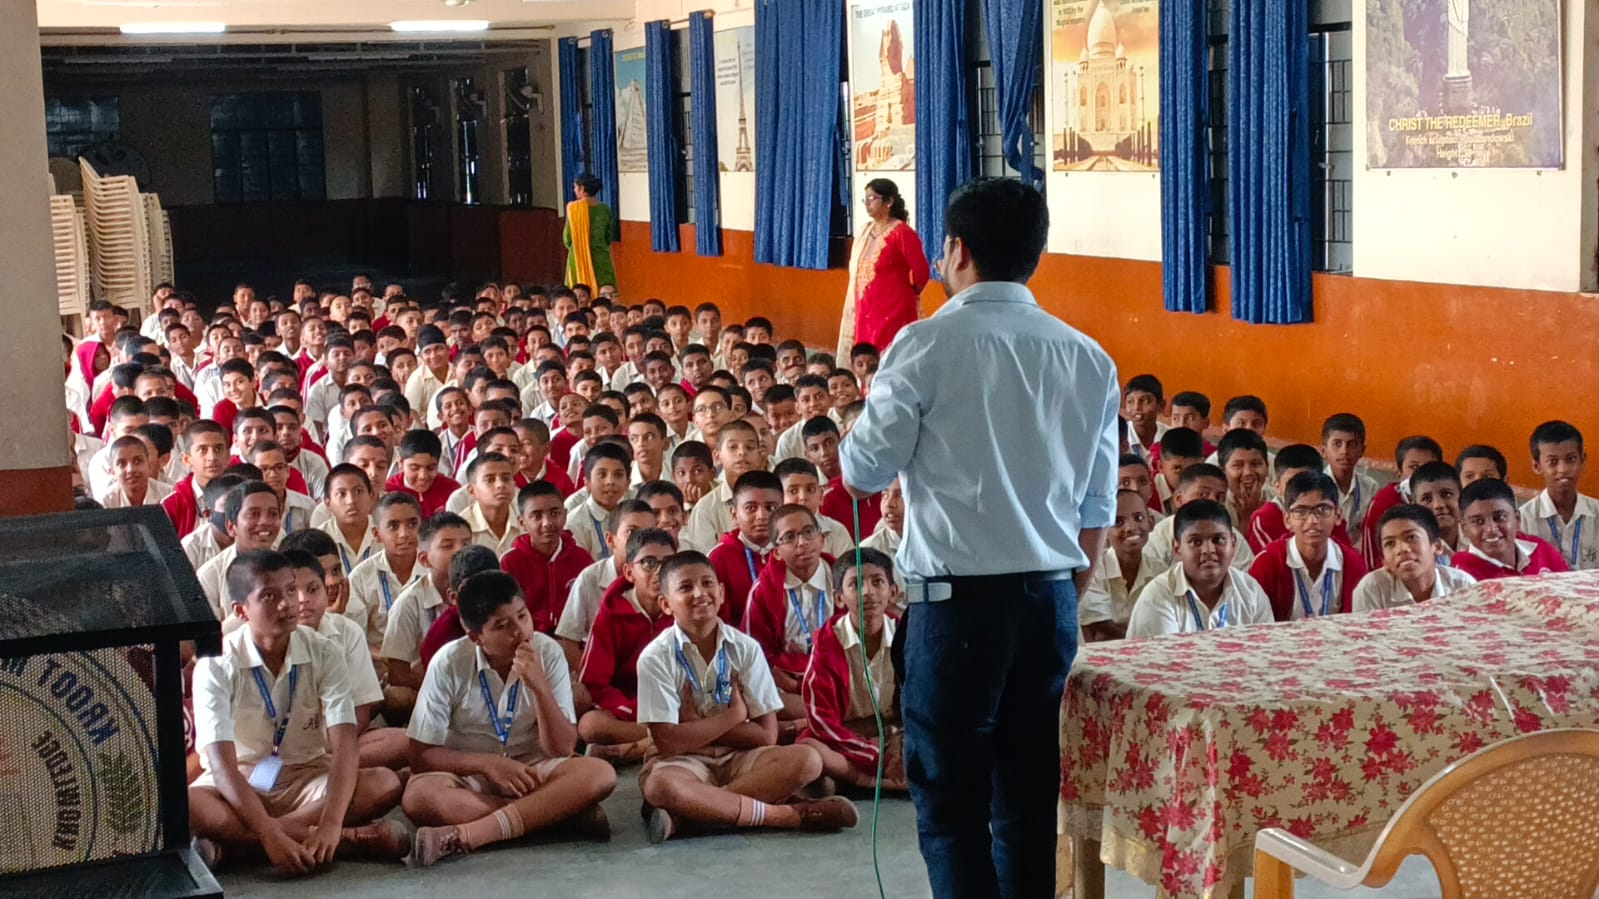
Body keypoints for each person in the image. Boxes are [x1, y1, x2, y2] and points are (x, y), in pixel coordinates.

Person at [838, 178, 1119, 897]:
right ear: (1037, 252)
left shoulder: (924, 342)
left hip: (956, 607)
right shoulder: (1086, 355)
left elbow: (864, 469)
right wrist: (1062, 588)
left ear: (955, 250)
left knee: (951, 806)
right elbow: (1096, 504)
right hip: (1049, 599)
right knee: (1027, 801)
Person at [188, 550, 407, 873]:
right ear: (241, 610)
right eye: (269, 595)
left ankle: (240, 849)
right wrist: (268, 833)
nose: (287, 603)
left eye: (291, 590)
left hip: (307, 778)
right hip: (240, 783)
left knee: (384, 783)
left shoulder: (324, 651)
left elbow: (345, 743)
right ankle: (349, 840)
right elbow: (221, 765)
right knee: (188, 805)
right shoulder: (215, 664)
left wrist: (331, 821)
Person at [634, 551, 858, 843]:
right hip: (683, 762)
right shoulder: (655, 657)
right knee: (660, 786)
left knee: (808, 760)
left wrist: (693, 727)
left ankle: (694, 813)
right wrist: (734, 716)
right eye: (685, 588)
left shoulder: (746, 649)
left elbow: (766, 736)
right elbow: (668, 742)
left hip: (741, 759)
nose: (700, 593)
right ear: (665, 604)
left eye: (707, 583)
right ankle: (786, 816)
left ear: (722, 592)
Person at [403, 571, 616, 867]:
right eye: (502, 625)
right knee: (420, 797)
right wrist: (489, 765)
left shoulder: (547, 652)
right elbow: (420, 755)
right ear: (475, 637)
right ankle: (555, 816)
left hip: (533, 770)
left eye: (522, 615)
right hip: (470, 773)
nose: (520, 631)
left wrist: (539, 685)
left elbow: (562, 749)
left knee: (599, 774)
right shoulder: (449, 662)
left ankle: (471, 834)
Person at [799, 547, 906, 792]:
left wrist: (900, 740)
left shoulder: (906, 637)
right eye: (856, 584)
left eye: (877, 582)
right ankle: (872, 781)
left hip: (895, 739)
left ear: (892, 592)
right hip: (844, 741)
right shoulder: (827, 644)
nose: (868, 592)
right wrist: (879, 759)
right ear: (839, 598)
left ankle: (858, 780)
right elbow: (821, 723)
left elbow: (923, 705)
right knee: (812, 750)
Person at [576, 527, 678, 764]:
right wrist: (634, 710)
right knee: (590, 725)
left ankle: (638, 747)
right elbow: (594, 683)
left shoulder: (684, 607)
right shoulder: (611, 614)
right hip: (625, 707)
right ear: (629, 572)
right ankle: (661, 743)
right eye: (649, 563)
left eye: (668, 562)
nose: (660, 571)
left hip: (675, 707)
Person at [1126, 500, 1274, 637]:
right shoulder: (1158, 596)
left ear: (1233, 544)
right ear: (1177, 549)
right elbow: (1161, 661)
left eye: (1218, 540)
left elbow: (1265, 650)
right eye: (1196, 542)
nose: (1208, 550)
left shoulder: (1250, 591)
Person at [1248, 472, 1368, 621]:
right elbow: (1257, 628)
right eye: (1301, 511)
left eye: (1322, 509)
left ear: (1338, 515)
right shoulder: (1267, 564)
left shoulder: (1353, 564)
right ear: (1287, 520)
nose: (1312, 520)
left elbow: (1360, 624)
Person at [837, 178, 929, 359]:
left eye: (873, 198)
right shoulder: (865, 231)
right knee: (865, 356)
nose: (867, 204)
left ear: (888, 202)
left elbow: (922, 271)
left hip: (894, 309)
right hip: (865, 308)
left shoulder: (902, 232)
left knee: (890, 356)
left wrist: (907, 295)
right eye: (866, 199)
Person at [1351, 505, 1477, 612]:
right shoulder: (1371, 590)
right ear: (1384, 561)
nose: (1402, 549)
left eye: (1411, 537)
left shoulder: (1463, 586)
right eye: (1390, 543)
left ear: (1437, 546)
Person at [1143, 463, 1255, 574]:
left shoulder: (1233, 538)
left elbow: (1244, 582)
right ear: (1178, 499)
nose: (1212, 501)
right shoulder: (1161, 536)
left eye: (1220, 497)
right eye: (1203, 494)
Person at [344, 493, 424, 649]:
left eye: (412, 524)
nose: (404, 534)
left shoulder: (433, 570)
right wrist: (393, 662)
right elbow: (354, 639)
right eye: (393, 526)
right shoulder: (360, 578)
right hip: (380, 667)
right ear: (377, 534)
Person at [1518, 420, 1599, 570]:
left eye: (1571, 459)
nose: (1563, 469)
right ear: (1537, 466)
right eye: (1552, 462)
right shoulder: (1523, 520)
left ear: (1583, 460)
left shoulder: (1597, 513)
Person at [1454, 477, 1570, 581]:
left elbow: (1570, 589)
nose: (1491, 529)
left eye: (1500, 517)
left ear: (1517, 519)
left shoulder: (1540, 549)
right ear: (1464, 528)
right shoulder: (1462, 576)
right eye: (1479, 521)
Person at [706, 471, 782, 627]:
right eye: (751, 508)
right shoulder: (719, 557)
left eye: (771, 507)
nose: (762, 516)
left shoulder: (791, 552)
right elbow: (717, 619)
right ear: (734, 514)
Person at [1078, 489, 1156, 641]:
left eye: (1139, 518)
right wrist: (1142, 640)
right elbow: (1098, 623)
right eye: (1118, 522)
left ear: (1151, 523)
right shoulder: (1093, 569)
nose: (1130, 527)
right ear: (1105, 530)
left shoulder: (1160, 571)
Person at [1360, 436, 1445, 568]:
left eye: (1429, 467)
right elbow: (1371, 560)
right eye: (1413, 467)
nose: (1419, 474)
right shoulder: (1382, 504)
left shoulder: (1447, 501)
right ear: (1399, 472)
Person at [1321, 413, 1379, 548]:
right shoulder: (1314, 489)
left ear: (1362, 451)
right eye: (1337, 444)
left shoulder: (1370, 487)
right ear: (1324, 451)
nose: (1344, 451)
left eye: (1352, 444)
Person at [563, 174, 616, 291]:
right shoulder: (605, 209)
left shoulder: (573, 208)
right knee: (604, 291)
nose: (574, 190)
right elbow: (608, 237)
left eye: (575, 187)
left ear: (582, 188)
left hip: (577, 258)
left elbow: (567, 239)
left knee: (578, 292)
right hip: (601, 259)